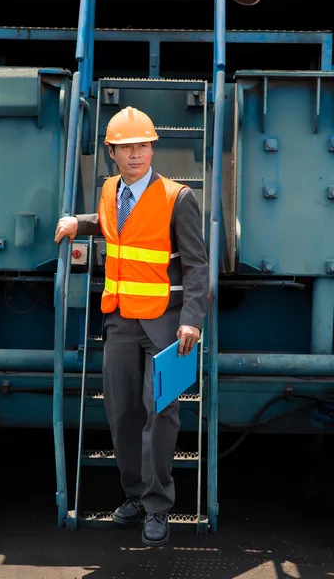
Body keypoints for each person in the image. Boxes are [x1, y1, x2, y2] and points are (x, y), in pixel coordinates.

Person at [55, 106, 209, 547]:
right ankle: (136, 496)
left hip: (166, 325)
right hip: (120, 320)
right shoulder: (108, 191)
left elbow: (198, 267)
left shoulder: (178, 198)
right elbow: (112, 227)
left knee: (160, 415)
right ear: (113, 152)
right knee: (122, 411)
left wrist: (192, 322)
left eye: (143, 145)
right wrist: (78, 223)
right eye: (127, 147)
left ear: (152, 148)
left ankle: (159, 506)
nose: (136, 154)